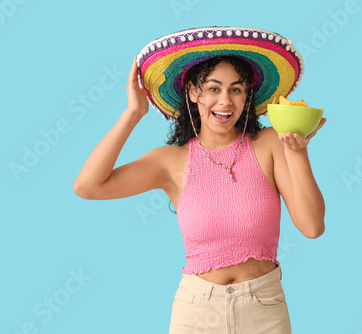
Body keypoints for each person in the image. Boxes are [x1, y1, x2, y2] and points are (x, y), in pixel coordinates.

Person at [73, 26, 326, 333]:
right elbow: (87, 187)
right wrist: (134, 112)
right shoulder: (171, 162)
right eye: (213, 88)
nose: (225, 102)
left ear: (247, 97)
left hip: (264, 309)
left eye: (236, 89)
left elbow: (312, 227)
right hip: (197, 311)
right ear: (193, 92)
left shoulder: (270, 143)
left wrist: (298, 154)